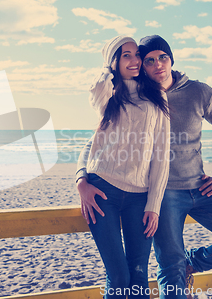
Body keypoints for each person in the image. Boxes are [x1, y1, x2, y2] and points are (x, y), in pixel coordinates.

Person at [76, 35, 212, 299]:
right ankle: (180, 267)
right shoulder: (137, 96)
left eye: (163, 57)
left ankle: (193, 262)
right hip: (163, 195)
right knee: (168, 271)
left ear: (171, 59)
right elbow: (98, 141)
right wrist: (81, 178)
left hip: (201, 189)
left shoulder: (199, 92)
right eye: (150, 60)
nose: (158, 65)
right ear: (143, 66)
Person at [77, 35, 170, 299]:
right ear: (114, 61)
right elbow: (97, 90)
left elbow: (161, 155)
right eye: (126, 55)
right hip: (102, 191)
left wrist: (154, 204)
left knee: (139, 274)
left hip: (140, 198)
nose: (135, 60)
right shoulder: (108, 95)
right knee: (118, 277)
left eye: (136, 54)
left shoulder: (157, 96)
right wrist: (81, 181)